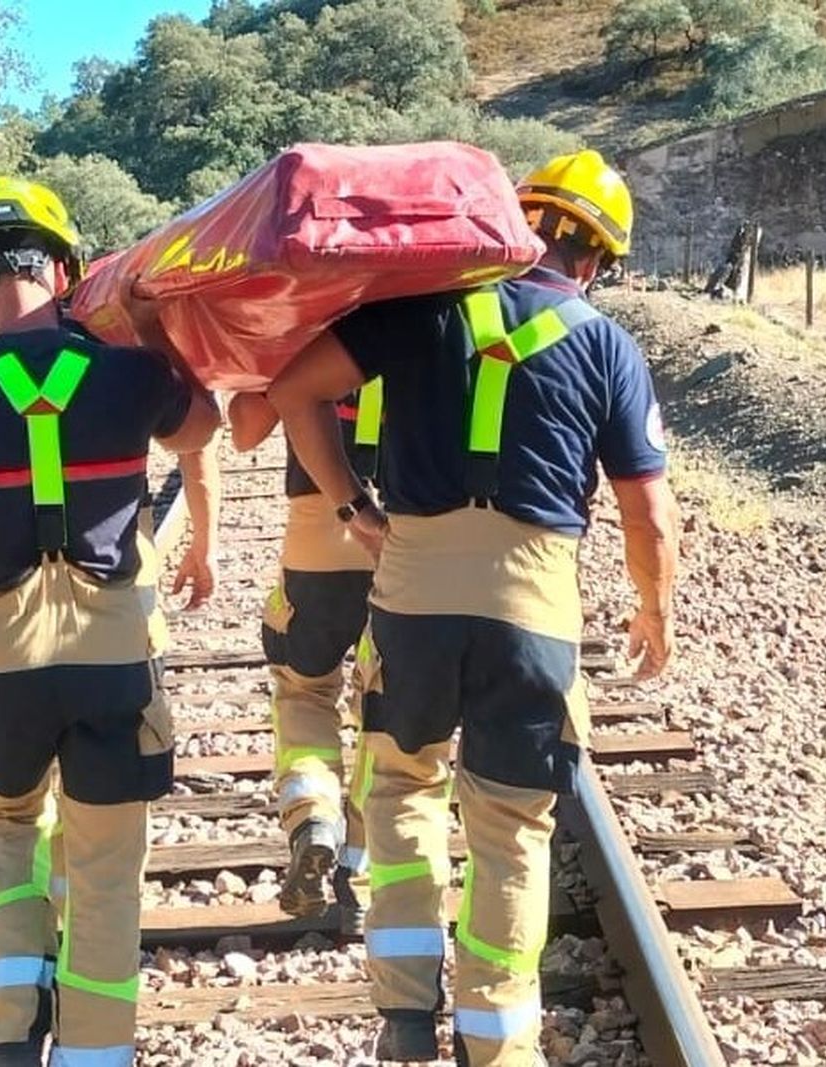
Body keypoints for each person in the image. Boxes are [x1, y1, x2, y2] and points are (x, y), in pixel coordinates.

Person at [267, 150, 681, 1067]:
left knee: (405, 785)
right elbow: (647, 509)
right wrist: (656, 609)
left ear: (519, 226)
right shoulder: (607, 345)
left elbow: (292, 392)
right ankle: (497, 1042)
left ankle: (406, 1015)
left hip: (413, 589)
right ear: (600, 262)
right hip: (533, 599)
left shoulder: (417, 307)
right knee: (509, 825)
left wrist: (351, 508)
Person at [0, 176, 218, 1067]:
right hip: (111, 657)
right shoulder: (130, 373)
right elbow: (207, 425)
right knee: (102, 864)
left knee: (8, 829)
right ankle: (95, 1054)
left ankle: (13, 1028)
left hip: (3, 660)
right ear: (65, 269)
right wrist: (152, 332)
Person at [227, 385, 379, 926]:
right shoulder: (432, 320)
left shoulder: (308, 327)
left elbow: (244, 430)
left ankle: (313, 817)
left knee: (304, 692)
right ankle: (357, 877)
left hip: (319, 540)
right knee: (384, 718)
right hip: (404, 542)